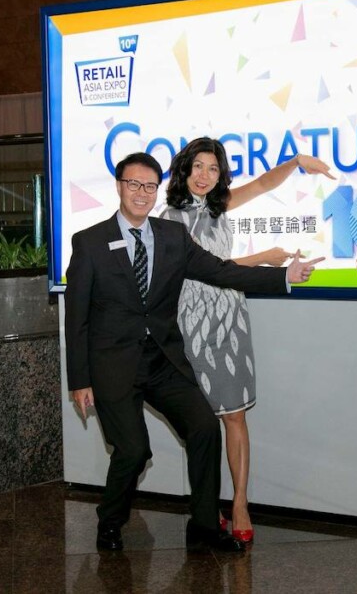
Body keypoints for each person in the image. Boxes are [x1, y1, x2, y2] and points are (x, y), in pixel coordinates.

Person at [65, 151, 321, 553]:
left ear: (155, 190)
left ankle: (204, 528)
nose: (142, 193)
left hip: (163, 360)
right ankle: (110, 521)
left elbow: (221, 271)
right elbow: (76, 316)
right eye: (134, 184)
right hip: (114, 366)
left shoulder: (171, 237)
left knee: (204, 428)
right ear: (119, 187)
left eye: (149, 186)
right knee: (134, 451)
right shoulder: (90, 242)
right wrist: (79, 380)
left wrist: (282, 276)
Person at [160, 137, 335, 543]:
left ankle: (239, 502)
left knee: (235, 416)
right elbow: (205, 268)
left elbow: (262, 185)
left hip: (228, 319)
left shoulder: (221, 207)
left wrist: (294, 161)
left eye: (213, 169)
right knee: (199, 423)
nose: (204, 176)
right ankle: (205, 506)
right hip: (189, 323)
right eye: (197, 167)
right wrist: (264, 258)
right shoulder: (168, 218)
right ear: (184, 170)